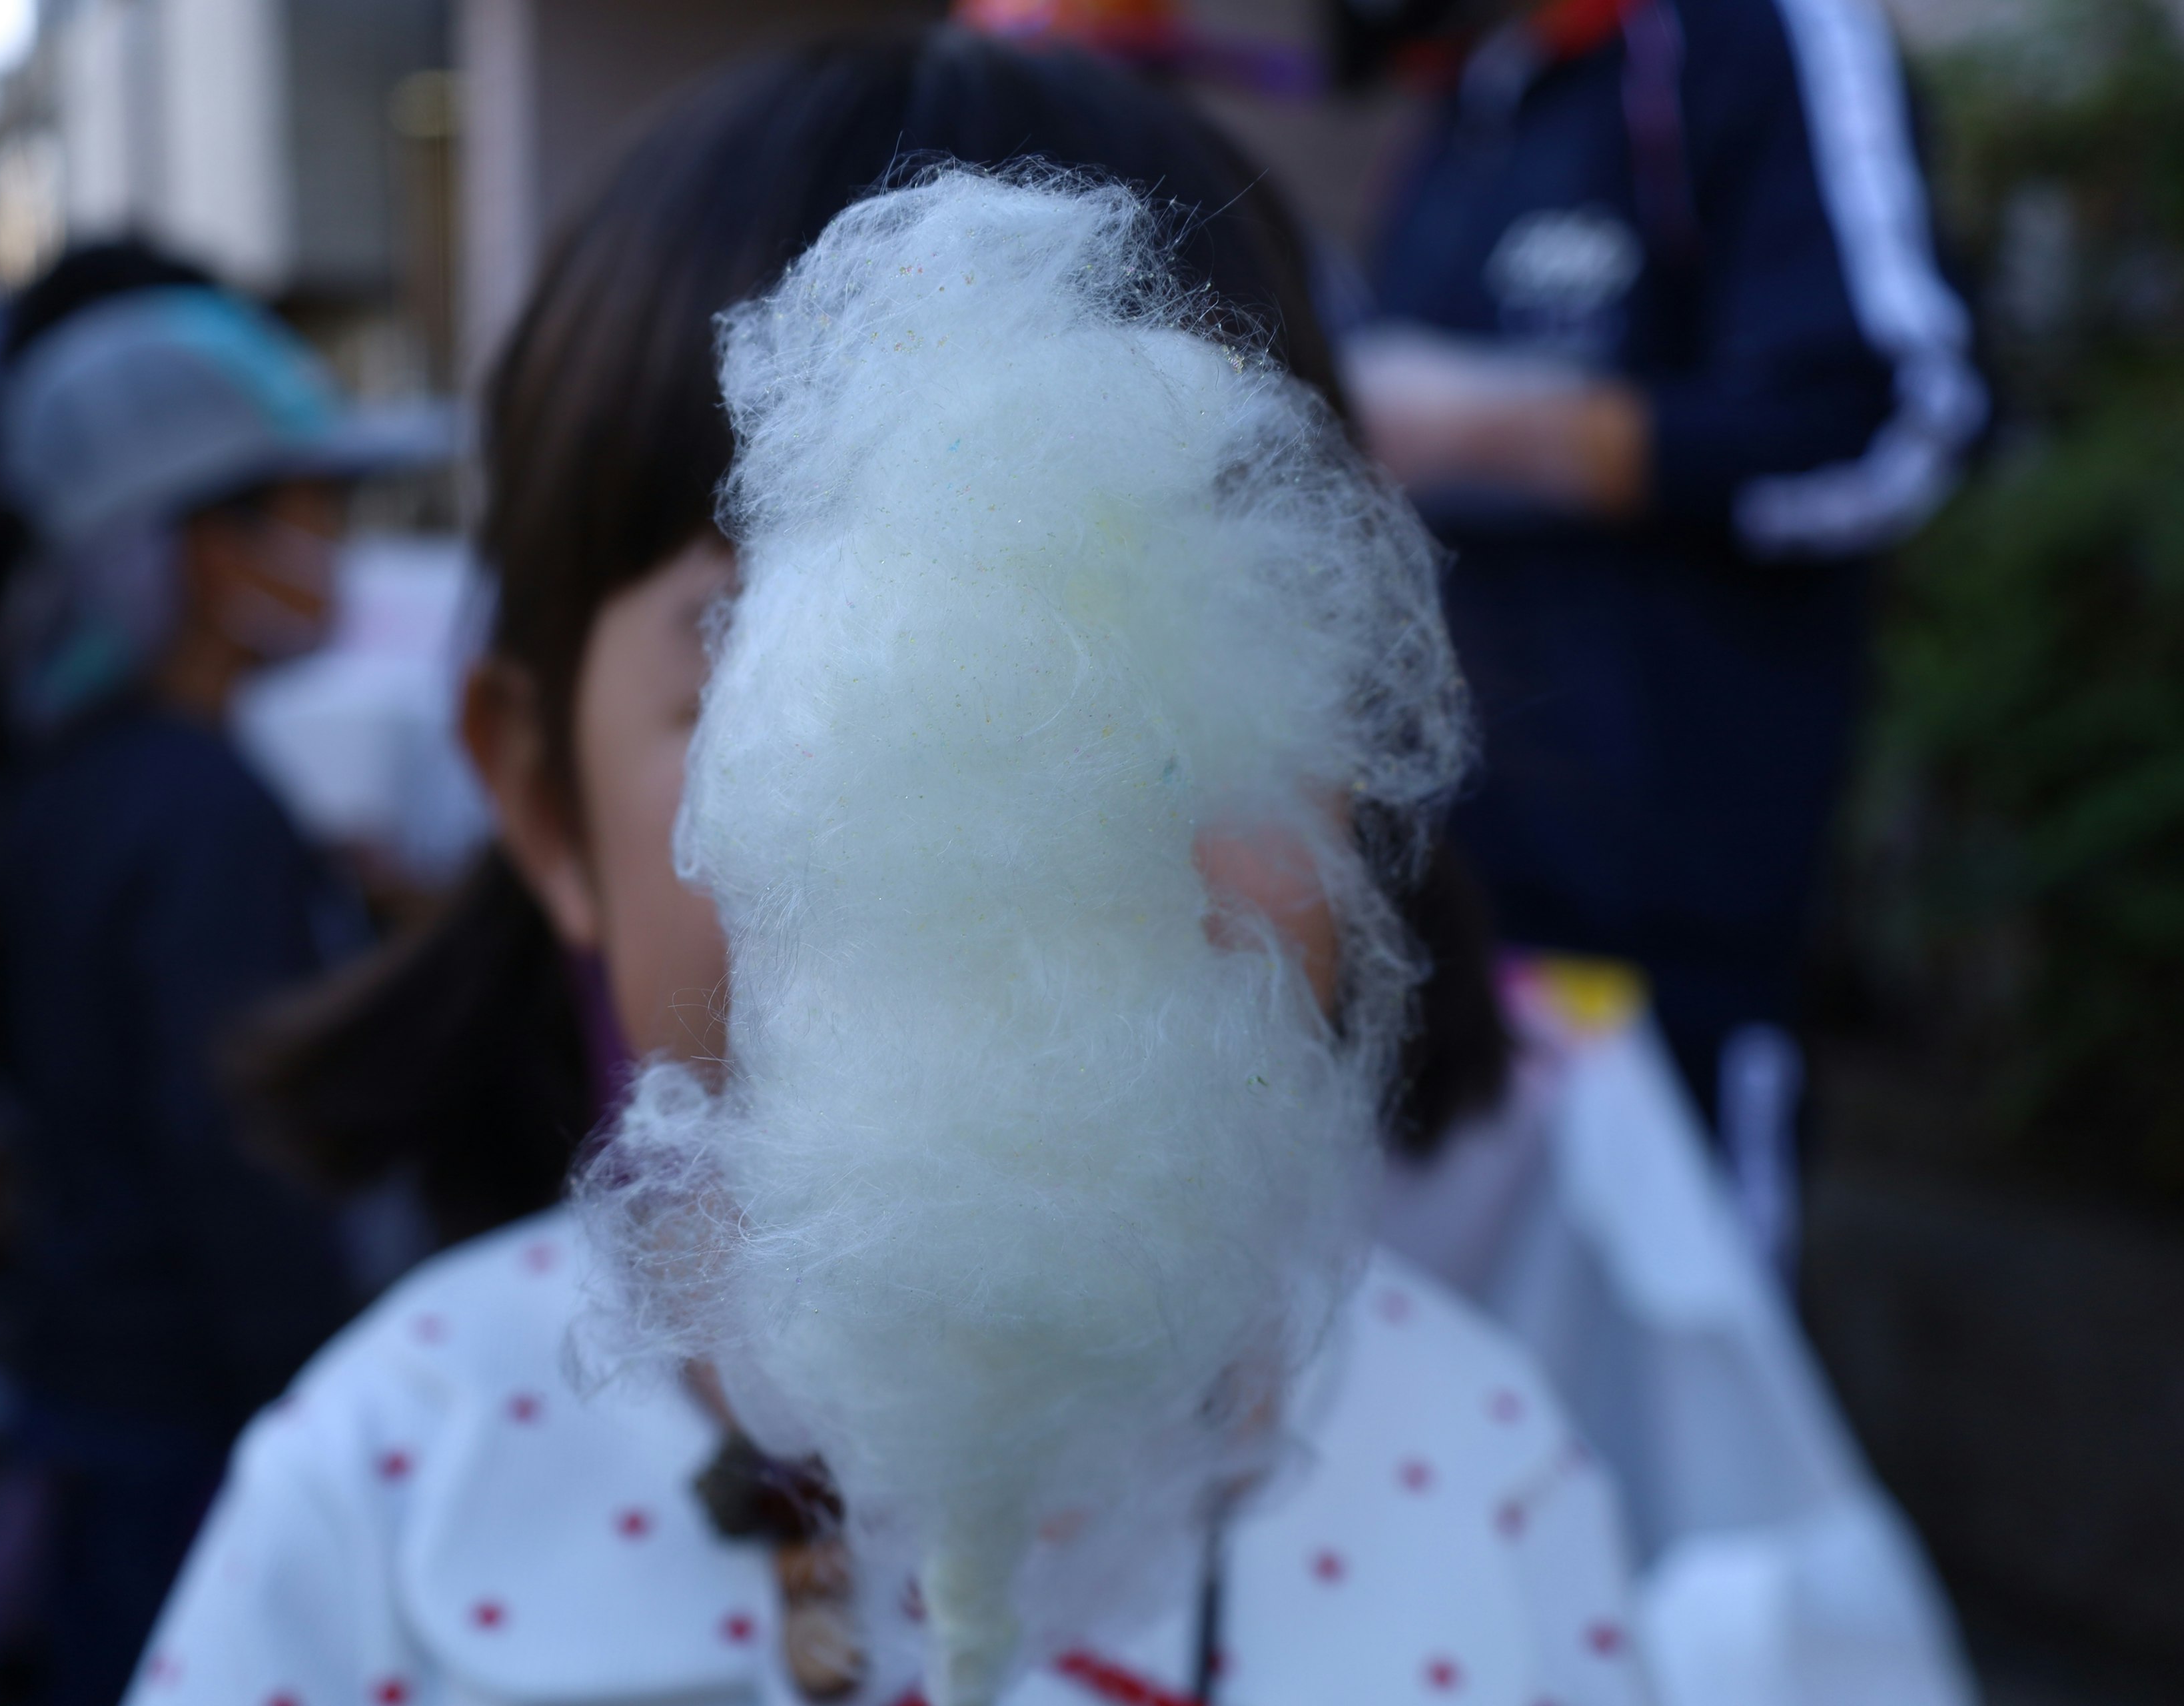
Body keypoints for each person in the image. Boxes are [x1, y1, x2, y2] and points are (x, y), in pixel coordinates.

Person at [131, 31, 1651, 1706]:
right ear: (547, 810)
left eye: (1171, 691)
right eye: (763, 668)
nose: (1040, 840)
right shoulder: (389, 1490)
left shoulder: (1488, 1484)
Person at [1336, 0, 1985, 1262]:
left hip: (1661, 948)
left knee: (1683, 1412)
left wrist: (1502, 428)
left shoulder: (1757, 40)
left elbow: (1889, 423)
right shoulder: (1481, 84)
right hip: (1448, 938)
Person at [0, 285, 447, 1706]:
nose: (334, 552)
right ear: (199, 545)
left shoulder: (80, 775)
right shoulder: (206, 806)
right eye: (308, 510)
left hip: (94, 1362)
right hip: (196, 1403)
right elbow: (232, 1142)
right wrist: (320, 1391)